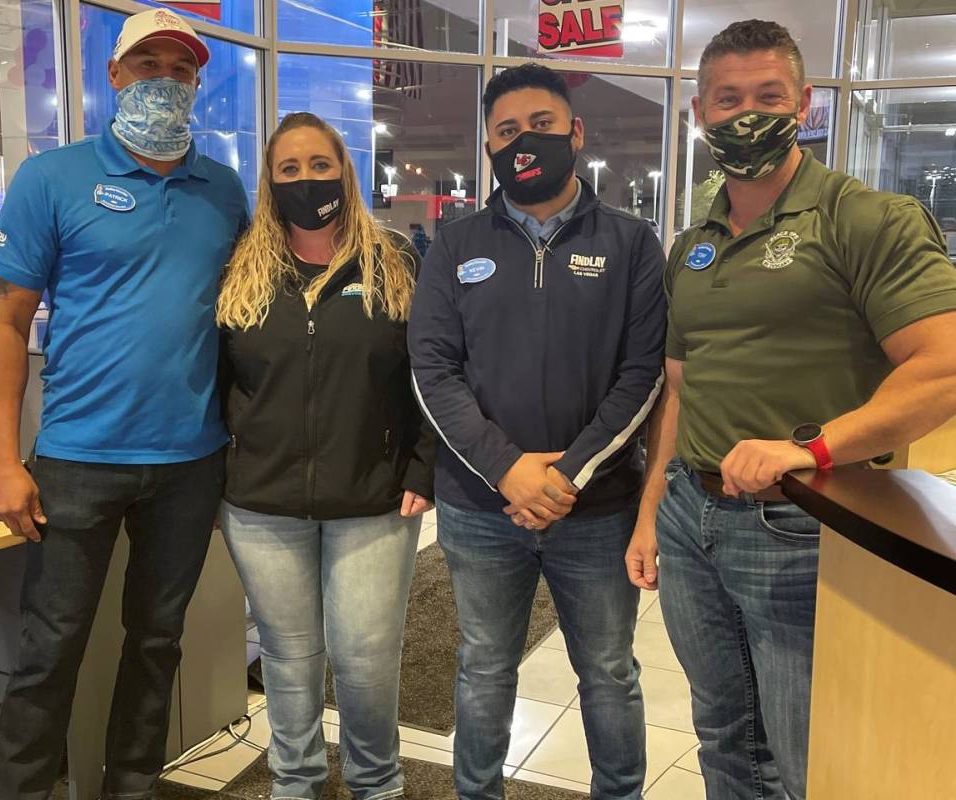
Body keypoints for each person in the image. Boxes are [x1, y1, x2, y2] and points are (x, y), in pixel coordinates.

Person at [625, 19, 956, 800]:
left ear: (804, 103)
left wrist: (813, 449)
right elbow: (681, 384)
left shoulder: (865, 219)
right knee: (725, 737)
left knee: (812, 754)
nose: (746, 114)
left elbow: (941, 367)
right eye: (727, 99)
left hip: (801, 530)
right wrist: (651, 509)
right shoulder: (693, 243)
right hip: (690, 516)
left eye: (767, 96)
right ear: (701, 114)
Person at [0, 10, 249, 799]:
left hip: (191, 463)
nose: (165, 79)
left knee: (157, 642)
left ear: (197, 83)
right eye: (148, 64)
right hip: (75, 462)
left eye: (181, 68)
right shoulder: (51, 178)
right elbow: (6, 324)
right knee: (49, 648)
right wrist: (3, 461)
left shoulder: (223, 190)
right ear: (116, 76)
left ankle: (132, 784)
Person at [408, 63, 667, 800]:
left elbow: (642, 374)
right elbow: (433, 371)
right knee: (484, 664)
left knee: (609, 670)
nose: (526, 142)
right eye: (508, 132)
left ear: (576, 133)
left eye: (543, 126)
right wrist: (507, 470)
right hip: (480, 508)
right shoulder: (454, 246)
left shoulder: (630, 244)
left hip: (599, 507)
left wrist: (565, 475)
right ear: (489, 146)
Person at [216, 111, 435, 800]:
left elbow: (430, 373)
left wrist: (423, 467)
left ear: (344, 169)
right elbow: (216, 378)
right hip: (260, 503)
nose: (307, 179)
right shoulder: (240, 266)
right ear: (269, 180)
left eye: (320, 165)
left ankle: (376, 784)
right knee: (288, 659)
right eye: (290, 169)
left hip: (373, 500)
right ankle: (296, 782)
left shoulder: (392, 258)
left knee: (366, 663)